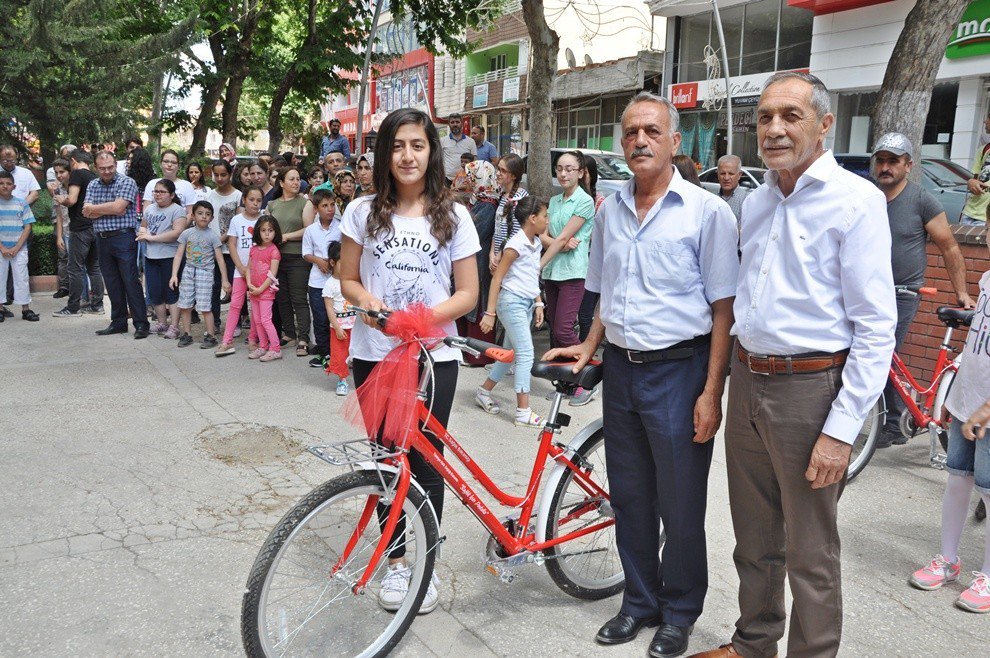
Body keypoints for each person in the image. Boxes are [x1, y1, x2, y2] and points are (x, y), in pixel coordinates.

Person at [690, 72, 896, 658]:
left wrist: (840, 429)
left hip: (812, 391)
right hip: (750, 382)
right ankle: (754, 642)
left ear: (824, 125)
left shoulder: (856, 202)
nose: (774, 128)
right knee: (754, 538)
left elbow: (877, 327)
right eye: (764, 117)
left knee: (811, 551)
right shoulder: (755, 201)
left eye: (790, 116)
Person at [544, 92, 738, 658]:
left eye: (652, 131)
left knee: (680, 503)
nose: (640, 141)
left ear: (675, 142)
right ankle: (639, 601)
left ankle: (679, 611)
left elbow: (723, 311)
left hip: (682, 372)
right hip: (622, 374)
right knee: (629, 497)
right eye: (630, 132)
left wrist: (711, 393)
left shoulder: (708, 213)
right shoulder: (610, 210)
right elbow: (604, 294)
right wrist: (587, 347)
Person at [339, 107, 480, 615]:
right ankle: (397, 563)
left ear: (431, 151)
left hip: (433, 358)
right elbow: (348, 279)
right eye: (398, 145)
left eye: (417, 145)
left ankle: (427, 564)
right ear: (384, 153)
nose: (407, 155)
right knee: (385, 464)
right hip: (374, 354)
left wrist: (419, 319)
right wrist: (379, 312)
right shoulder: (361, 211)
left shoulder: (455, 215)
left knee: (425, 462)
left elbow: (467, 294)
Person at [871, 132, 976, 449]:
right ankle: (890, 414)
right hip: (869, 293)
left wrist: (962, 293)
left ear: (908, 165)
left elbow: (949, 246)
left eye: (894, 161)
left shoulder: (920, 199)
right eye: (882, 160)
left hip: (903, 294)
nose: (886, 167)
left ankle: (891, 423)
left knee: (882, 354)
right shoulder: (867, 197)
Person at [908, 228, 990, 614]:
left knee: (989, 490)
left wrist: (985, 410)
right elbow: (976, 342)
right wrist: (953, 394)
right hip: (966, 401)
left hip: (986, 410)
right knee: (958, 477)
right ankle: (949, 559)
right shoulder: (987, 279)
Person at [475, 197, 547, 426]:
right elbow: (497, 279)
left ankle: (483, 392)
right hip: (511, 303)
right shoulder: (515, 245)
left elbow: (530, 276)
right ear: (533, 219)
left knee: (511, 353)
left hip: (525, 302)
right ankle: (523, 411)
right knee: (526, 353)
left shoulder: (535, 242)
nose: (548, 220)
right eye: (546, 216)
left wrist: (538, 303)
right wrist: (490, 313)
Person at [541, 150, 597, 406]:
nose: (563, 173)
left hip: (574, 272)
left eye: (569, 169)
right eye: (559, 168)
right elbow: (545, 235)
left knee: (564, 327)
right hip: (553, 271)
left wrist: (545, 255)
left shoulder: (584, 201)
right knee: (555, 327)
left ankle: (586, 379)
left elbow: (560, 236)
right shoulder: (554, 201)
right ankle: (565, 383)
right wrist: (560, 244)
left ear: (581, 172)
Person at [84, 151, 150, 338]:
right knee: (112, 282)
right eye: (103, 168)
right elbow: (86, 211)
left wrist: (99, 209)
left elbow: (119, 208)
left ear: (116, 165)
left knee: (130, 280)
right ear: (96, 168)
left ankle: (141, 324)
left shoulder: (127, 182)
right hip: (102, 238)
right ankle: (118, 322)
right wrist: (110, 208)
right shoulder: (92, 184)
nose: (107, 171)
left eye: (110, 167)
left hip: (124, 238)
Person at [169, 201, 229, 349]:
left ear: (212, 218)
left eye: (208, 214)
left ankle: (211, 335)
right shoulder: (186, 233)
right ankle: (187, 334)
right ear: (193, 215)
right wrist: (174, 275)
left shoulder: (213, 236)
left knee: (205, 306)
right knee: (185, 304)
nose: (204, 217)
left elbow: (220, 259)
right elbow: (178, 255)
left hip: (205, 273)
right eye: (200, 213)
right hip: (189, 271)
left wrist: (225, 280)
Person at [267, 166, 313, 356]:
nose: (296, 182)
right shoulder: (272, 204)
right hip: (277, 258)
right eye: (291, 179)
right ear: (282, 183)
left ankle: (303, 337)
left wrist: (285, 236)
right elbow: (266, 229)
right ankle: (289, 333)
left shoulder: (305, 203)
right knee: (282, 298)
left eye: (298, 179)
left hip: (297, 257)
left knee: (299, 299)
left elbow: (308, 230)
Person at [458, 159, 500, 365]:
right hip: (474, 260)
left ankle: (478, 355)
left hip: (480, 261)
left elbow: (473, 234)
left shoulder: (487, 206)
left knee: (478, 302)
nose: (467, 178)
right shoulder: (479, 201)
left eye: (470, 175)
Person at [53, 149, 103, 317]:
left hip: (80, 228)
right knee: (94, 268)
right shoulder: (94, 177)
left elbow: (72, 200)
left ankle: (72, 307)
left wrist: (62, 199)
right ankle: (97, 305)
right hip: (95, 226)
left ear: (73, 161)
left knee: (74, 268)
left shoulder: (77, 174)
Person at [136, 179, 187, 337]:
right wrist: (142, 233)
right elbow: (143, 225)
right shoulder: (150, 208)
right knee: (155, 292)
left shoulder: (177, 210)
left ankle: (174, 326)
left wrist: (151, 238)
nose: (158, 194)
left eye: (162, 192)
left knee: (171, 292)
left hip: (170, 257)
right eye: (155, 191)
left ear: (171, 195)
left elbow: (177, 233)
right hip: (151, 256)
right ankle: (162, 323)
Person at [217, 185, 264, 356]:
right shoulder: (237, 220)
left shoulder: (264, 219)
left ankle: (253, 339)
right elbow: (232, 244)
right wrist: (241, 267)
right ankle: (227, 341)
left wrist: (252, 270)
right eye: (251, 200)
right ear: (244, 200)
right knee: (236, 305)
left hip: (259, 272)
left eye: (259, 200)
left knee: (256, 307)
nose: (255, 203)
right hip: (240, 271)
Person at [302, 188, 342, 367]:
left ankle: (338, 353)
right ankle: (323, 352)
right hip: (317, 282)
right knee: (320, 318)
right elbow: (306, 253)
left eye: (332, 205)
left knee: (337, 317)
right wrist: (318, 260)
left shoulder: (341, 227)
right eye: (325, 206)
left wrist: (333, 262)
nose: (330, 209)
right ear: (316, 209)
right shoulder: (311, 230)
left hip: (336, 282)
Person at [0, 145, 39, 313]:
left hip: (19, 241)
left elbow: (28, 225)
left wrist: (16, 247)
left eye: (11, 159)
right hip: (1, 245)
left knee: (21, 275)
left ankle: (25, 308)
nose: (5, 186)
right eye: (4, 159)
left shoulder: (25, 174)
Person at [205, 160, 242, 322]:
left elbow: (237, 222)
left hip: (231, 249)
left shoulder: (238, 195)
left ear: (230, 174)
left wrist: (220, 240)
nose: (220, 178)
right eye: (216, 175)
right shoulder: (209, 195)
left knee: (234, 288)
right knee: (213, 287)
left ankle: (236, 322)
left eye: (223, 175)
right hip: (212, 250)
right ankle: (215, 322)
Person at [577, 152, 605, 343]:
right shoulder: (569, 198)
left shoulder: (600, 202)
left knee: (586, 314)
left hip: (591, 263)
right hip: (575, 262)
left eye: (583, 172)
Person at [246, 215, 283, 361]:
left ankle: (275, 349)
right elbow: (248, 268)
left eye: (270, 230)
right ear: (258, 231)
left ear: (276, 232)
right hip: (254, 290)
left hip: (266, 292)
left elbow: (272, 274)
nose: (267, 234)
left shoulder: (274, 251)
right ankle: (263, 346)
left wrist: (261, 289)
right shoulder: (254, 249)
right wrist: (249, 284)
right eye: (263, 230)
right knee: (257, 320)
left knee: (266, 320)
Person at [322, 240, 354, 395]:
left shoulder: (354, 281)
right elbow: (329, 308)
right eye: (343, 263)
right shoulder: (330, 284)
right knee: (340, 355)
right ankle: (342, 380)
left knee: (358, 353)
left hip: (356, 325)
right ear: (333, 262)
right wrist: (336, 326)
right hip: (340, 326)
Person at [490, 153, 528, 271]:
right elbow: (497, 229)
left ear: (513, 176)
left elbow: (516, 234)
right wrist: (492, 253)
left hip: (511, 261)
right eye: (498, 169)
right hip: (497, 257)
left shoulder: (520, 198)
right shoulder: (502, 195)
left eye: (503, 171)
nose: (497, 173)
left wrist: (500, 256)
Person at [144, 150, 196, 215]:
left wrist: (181, 225)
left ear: (178, 166)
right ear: (160, 164)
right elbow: (146, 210)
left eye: (173, 162)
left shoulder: (186, 185)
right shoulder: (151, 184)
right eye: (166, 161)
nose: (169, 165)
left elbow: (190, 213)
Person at [960, 116, 990, 226]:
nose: (984, 121)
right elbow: (974, 179)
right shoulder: (984, 150)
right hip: (970, 213)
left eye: (988, 118)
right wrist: (971, 182)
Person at [50, 158, 72, 299]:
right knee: (63, 258)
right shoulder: (57, 189)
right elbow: (58, 215)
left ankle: (85, 292)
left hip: (77, 230)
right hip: (64, 230)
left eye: (62, 172)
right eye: (56, 172)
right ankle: (64, 286)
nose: (59, 175)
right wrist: (59, 236)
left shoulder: (77, 187)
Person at [440, 113, 477, 183]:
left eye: (457, 122)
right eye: (452, 122)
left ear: (462, 124)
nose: (455, 124)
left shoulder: (470, 141)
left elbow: (474, 161)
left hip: (465, 180)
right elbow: (439, 160)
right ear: (449, 124)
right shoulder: (442, 141)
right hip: (447, 180)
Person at [715, 154, 748, 224]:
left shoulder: (746, 201)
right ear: (717, 175)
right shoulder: (712, 199)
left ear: (739, 175)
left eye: (731, 174)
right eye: (723, 173)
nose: (726, 178)